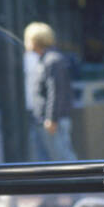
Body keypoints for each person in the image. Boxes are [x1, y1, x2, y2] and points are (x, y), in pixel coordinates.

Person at [26, 22, 76, 161]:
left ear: (36, 41)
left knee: (62, 160)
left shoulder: (52, 60)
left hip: (53, 121)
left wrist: (51, 119)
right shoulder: (45, 60)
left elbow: (56, 92)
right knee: (46, 160)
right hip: (43, 119)